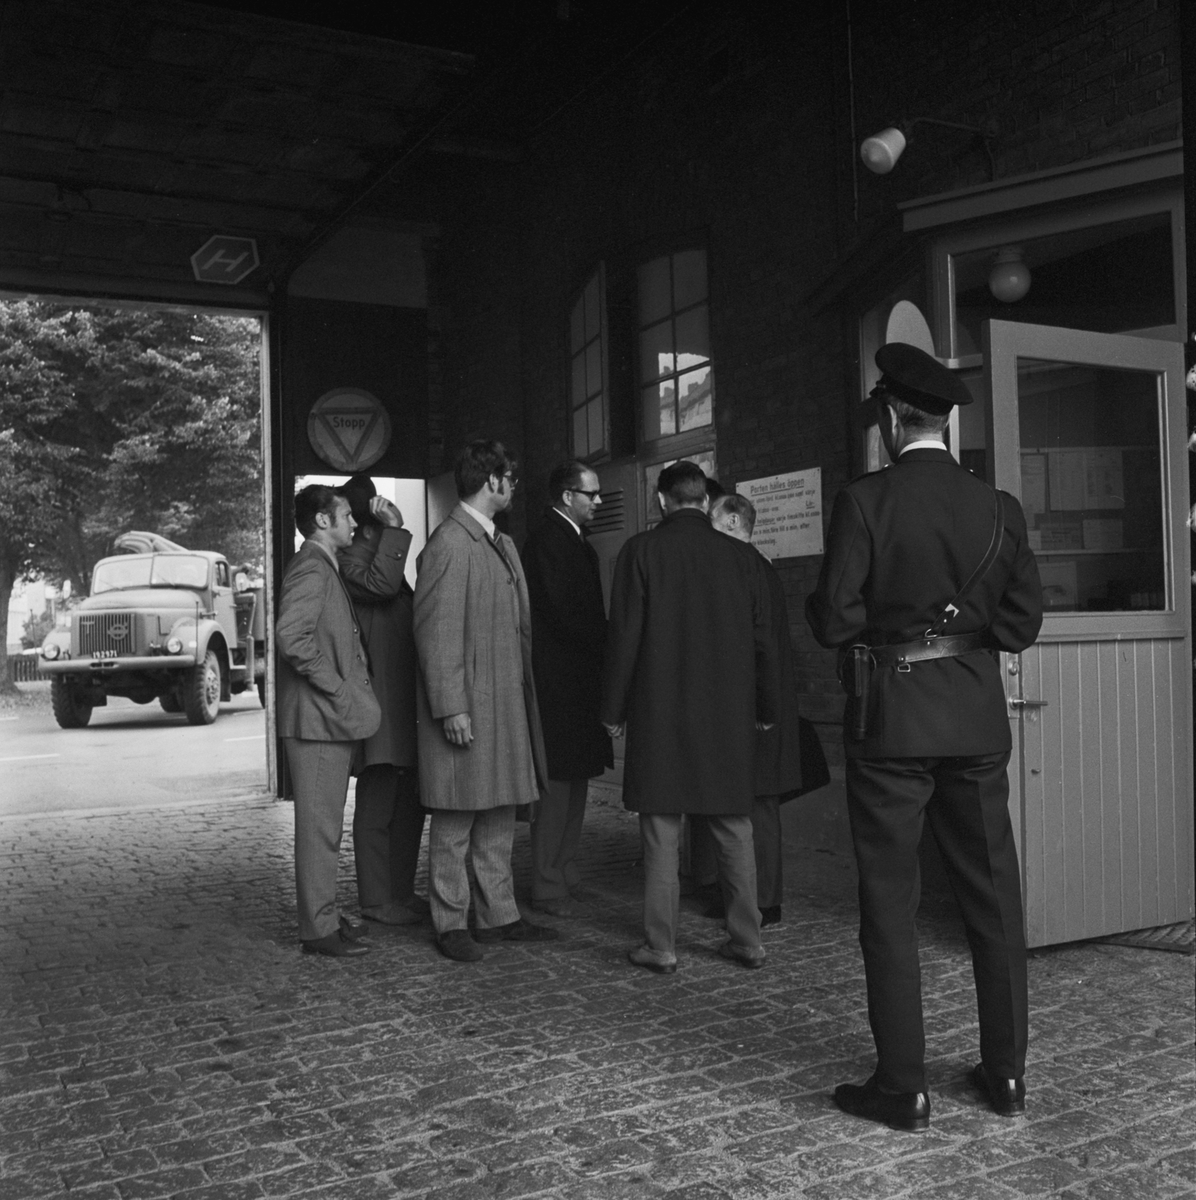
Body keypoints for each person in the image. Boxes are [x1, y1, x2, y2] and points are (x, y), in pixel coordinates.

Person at [805, 342, 1043, 1132]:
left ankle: (903, 1087)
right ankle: (1006, 1075)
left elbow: (835, 620)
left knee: (889, 902)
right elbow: (1020, 625)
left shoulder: (865, 501)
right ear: (944, 421)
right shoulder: (1000, 508)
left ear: (888, 417)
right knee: (994, 900)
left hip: (892, 722)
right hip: (973, 717)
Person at [601, 460, 779, 974]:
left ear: (661, 501)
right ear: (705, 501)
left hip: (659, 712)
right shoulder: (742, 559)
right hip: (727, 715)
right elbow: (765, 642)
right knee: (734, 826)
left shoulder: (640, 551)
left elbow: (624, 637)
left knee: (660, 832)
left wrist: (612, 710)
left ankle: (661, 945)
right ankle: (747, 939)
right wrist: (767, 708)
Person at [413, 440, 560, 962]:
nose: (513, 486)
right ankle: (451, 923)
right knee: (456, 817)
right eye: (509, 477)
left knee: (497, 811)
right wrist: (451, 705)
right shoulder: (450, 544)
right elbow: (436, 633)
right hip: (469, 707)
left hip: (502, 702)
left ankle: (499, 916)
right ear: (491, 481)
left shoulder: (501, 542)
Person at [707, 491, 827, 927]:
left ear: (733, 521)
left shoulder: (742, 567)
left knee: (756, 806)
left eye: (713, 519)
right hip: (766, 703)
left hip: (758, 707)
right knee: (759, 805)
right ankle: (758, 898)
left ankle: (759, 900)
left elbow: (759, 646)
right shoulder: (760, 566)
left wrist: (764, 709)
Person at [275, 484, 381, 958]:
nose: (355, 523)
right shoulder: (311, 567)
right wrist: (337, 688)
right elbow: (291, 637)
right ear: (322, 520)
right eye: (346, 515)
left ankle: (325, 916)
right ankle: (318, 930)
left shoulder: (322, 564)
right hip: (316, 721)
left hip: (321, 721)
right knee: (319, 829)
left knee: (325, 827)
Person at [520, 461, 613, 917]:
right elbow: (564, 614)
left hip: (575, 682)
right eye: (591, 494)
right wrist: (610, 643)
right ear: (566, 496)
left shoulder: (574, 541)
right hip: (558, 685)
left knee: (575, 781)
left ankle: (564, 870)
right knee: (557, 785)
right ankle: (548, 883)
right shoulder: (547, 542)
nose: (599, 501)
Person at [337, 474, 428, 927]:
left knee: (409, 804)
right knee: (377, 806)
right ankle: (376, 899)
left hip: (403, 704)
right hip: (379, 707)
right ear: (370, 528)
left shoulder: (376, 558)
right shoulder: (349, 563)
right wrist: (396, 530)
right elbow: (383, 587)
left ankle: (400, 891)